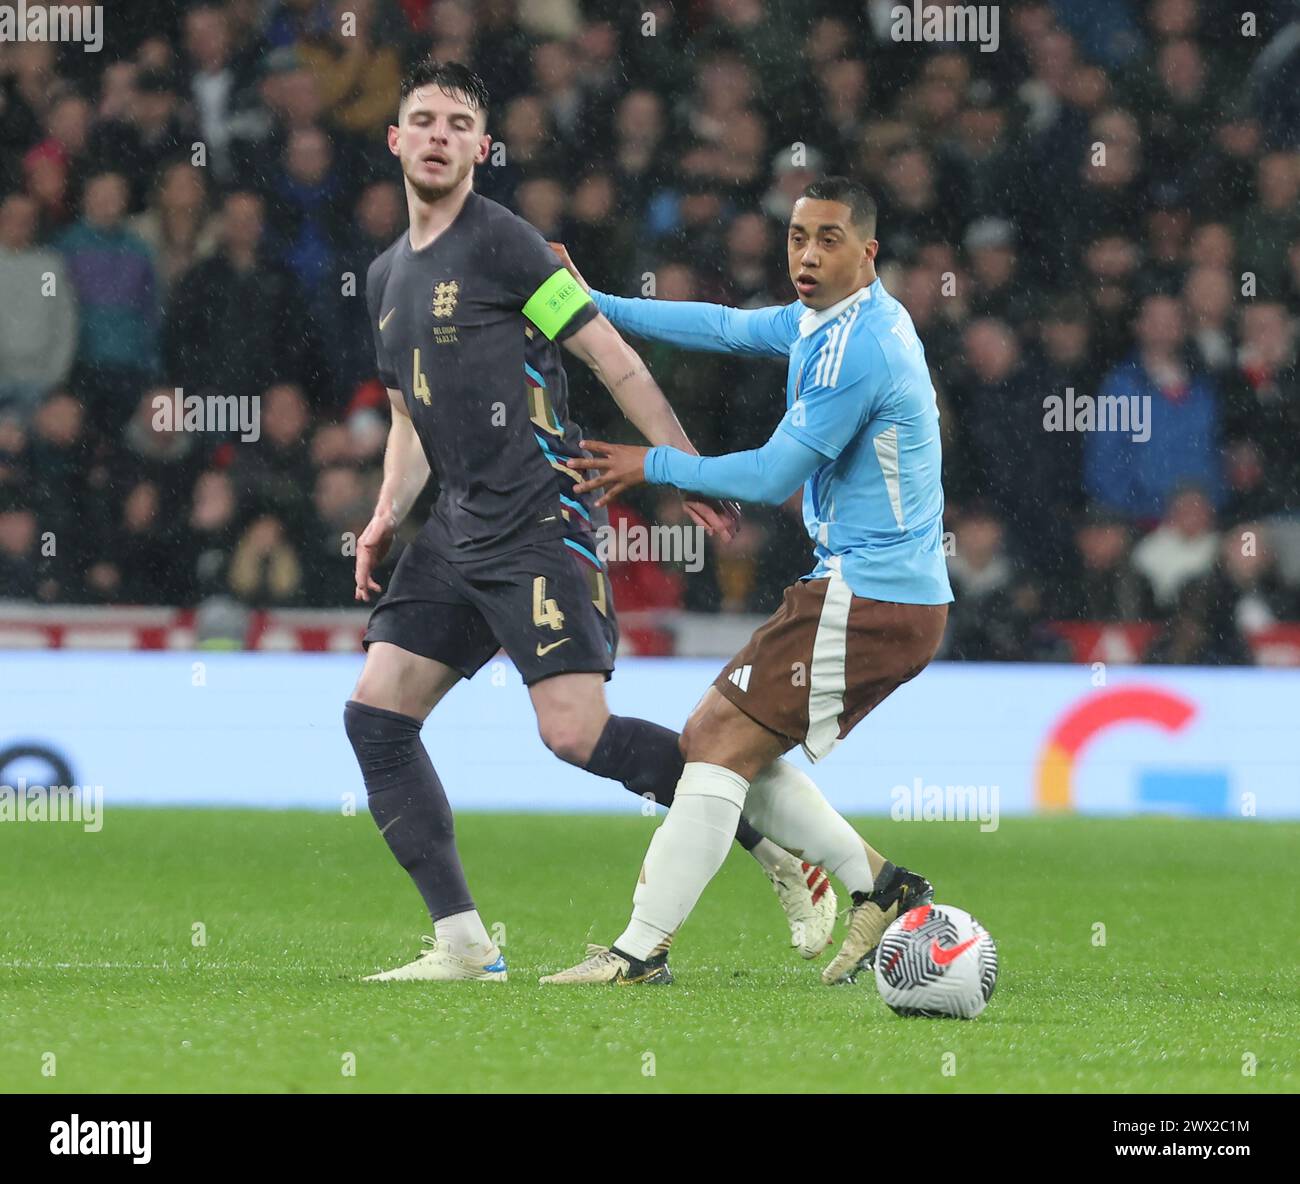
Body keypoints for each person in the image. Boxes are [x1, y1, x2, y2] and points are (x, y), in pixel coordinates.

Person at [345, 61, 837, 984]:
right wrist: (383, 515)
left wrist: (678, 465)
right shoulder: (383, 279)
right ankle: (463, 945)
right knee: (375, 718)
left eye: (459, 122)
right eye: (424, 119)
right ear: (396, 140)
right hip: (455, 531)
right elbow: (410, 414)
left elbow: (614, 360)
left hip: (538, 520)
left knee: (573, 733)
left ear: (482, 149)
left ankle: (780, 845)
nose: (441, 134)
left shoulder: (508, 246)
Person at [541, 176, 952, 987]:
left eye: (829, 239)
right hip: (866, 589)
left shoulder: (857, 350)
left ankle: (638, 953)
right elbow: (725, 328)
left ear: (867, 253)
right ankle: (881, 885)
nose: (807, 253)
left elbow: (769, 478)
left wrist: (647, 461)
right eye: (799, 237)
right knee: (716, 741)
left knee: (720, 747)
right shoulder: (836, 319)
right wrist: (595, 305)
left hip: (873, 596)